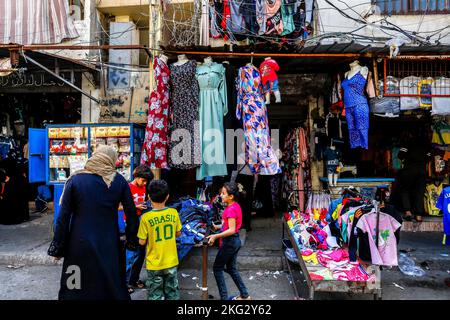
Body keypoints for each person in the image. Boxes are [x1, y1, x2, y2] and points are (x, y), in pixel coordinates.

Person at [47, 145, 139, 300]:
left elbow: (62, 218)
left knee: (74, 286)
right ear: (112, 159)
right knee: (110, 285)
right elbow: (131, 215)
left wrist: (58, 247)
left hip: (78, 244)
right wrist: (131, 241)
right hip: (108, 243)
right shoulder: (119, 181)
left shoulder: (75, 180)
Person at [138, 180, 182, 300]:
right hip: (171, 261)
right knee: (172, 293)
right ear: (167, 196)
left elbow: (141, 242)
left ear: (148, 197)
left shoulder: (145, 218)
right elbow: (178, 233)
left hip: (154, 263)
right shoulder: (174, 213)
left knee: (155, 295)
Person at [207, 182, 251, 300]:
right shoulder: (235, 206)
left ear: (231, 196)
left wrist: (215, 236)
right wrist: (219, 226)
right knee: (231, 268)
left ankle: (224, 298)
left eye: (223, 193)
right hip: (235, 241)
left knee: (217, 268)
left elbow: (231, 230)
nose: (220, 195)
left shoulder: (230, 209)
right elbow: (231, 224)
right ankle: (245, 295)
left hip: (230, 242)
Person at [123, 165, 154, 293]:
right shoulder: (127, 188)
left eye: (147, 182)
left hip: (142, 221)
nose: (145, 183)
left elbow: (145, 200)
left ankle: (134, 279)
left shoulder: (144, 187)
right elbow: (118, 206)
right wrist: (136, 206)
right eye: (143, 180)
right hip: (131, 223)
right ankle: (125, 283)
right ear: (136, 177)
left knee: (141, 253)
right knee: (131, 253)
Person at [395, 128, 431, 222]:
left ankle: (408, 212)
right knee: (419, 192)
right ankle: (419, 215)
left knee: (405, 190)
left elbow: (400, 155)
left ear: (410, 134)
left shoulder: (408, 142)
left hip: (409, 170)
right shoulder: (426, 143)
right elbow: (429, 157)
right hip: (422, 171)